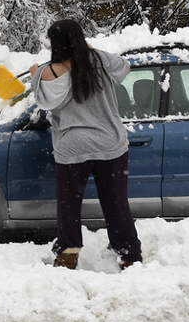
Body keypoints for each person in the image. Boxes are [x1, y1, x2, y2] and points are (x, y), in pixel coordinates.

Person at [28, 19, 142, 270]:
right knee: (116, 203)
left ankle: (68, 253)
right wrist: (90, 50)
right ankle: (129, 253)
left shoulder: (48, 71)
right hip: (109, 143)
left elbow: (43, 100)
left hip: (72, 146)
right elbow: (125, 66)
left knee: (69, 206)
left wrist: (34, 72)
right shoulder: (100, 62)